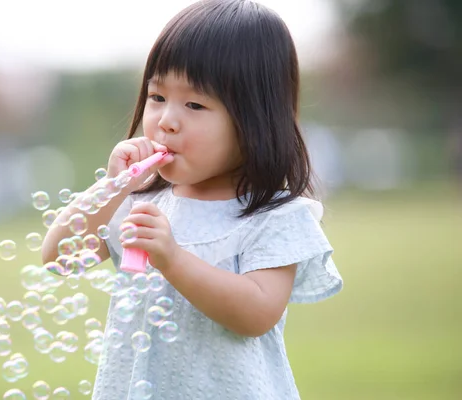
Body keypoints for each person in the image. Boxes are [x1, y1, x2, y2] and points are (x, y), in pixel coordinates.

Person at [42, 0, 343, 398]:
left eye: (195, 104)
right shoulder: (139, 202)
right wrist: (112, 187)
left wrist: (174, 259)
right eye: (157, 96)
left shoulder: (274, 215)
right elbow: (58, 257)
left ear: (255, 121)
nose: (166, 119)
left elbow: (256, 314)